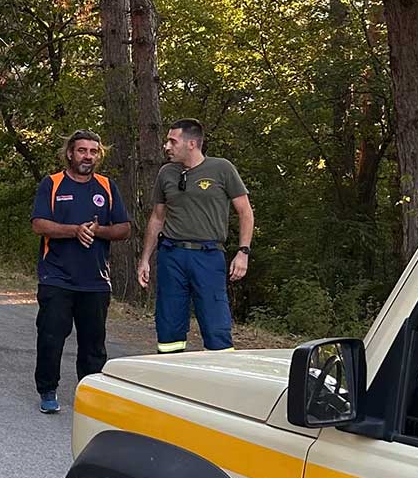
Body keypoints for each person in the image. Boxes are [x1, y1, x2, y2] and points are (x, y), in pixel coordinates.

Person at [32, 131, 132, 414]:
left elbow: (124, 228)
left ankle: (90, 394)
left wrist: (98, 231)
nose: (88, 156)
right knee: (51, 337)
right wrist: (75, 231)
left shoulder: (106, 186)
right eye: (82, 151)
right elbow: (39, 224)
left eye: (93, 151)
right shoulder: (51, 184)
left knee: (93, 344)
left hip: (96, 280)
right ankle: (47, 391)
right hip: (57, 277)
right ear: (70, 154)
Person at [136, 118, 254, 353]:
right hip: (172, 255)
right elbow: (157, 217)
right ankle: (171, 375)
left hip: (208, 256)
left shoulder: (222, 168)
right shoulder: (166, 173)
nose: (166, 146)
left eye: (172, 141)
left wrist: (243, 252)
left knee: (216, 325)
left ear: (191, 143)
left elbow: (245, 212)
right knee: (168, 324)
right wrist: (145, 259)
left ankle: (220, 381)